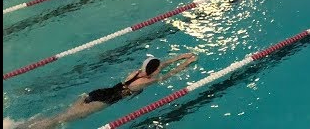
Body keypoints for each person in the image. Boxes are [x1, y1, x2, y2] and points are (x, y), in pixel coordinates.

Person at [16, 53, 198, 129]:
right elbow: (169, 74)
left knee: (62, 114)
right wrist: (186, 63)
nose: (160, 69)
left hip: (98, 92)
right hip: (106, 100)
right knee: (61, 118)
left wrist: (180, 56)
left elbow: (161, 64)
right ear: (154, 71)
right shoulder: (146, 82)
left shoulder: (137, 73)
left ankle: (23, 125)